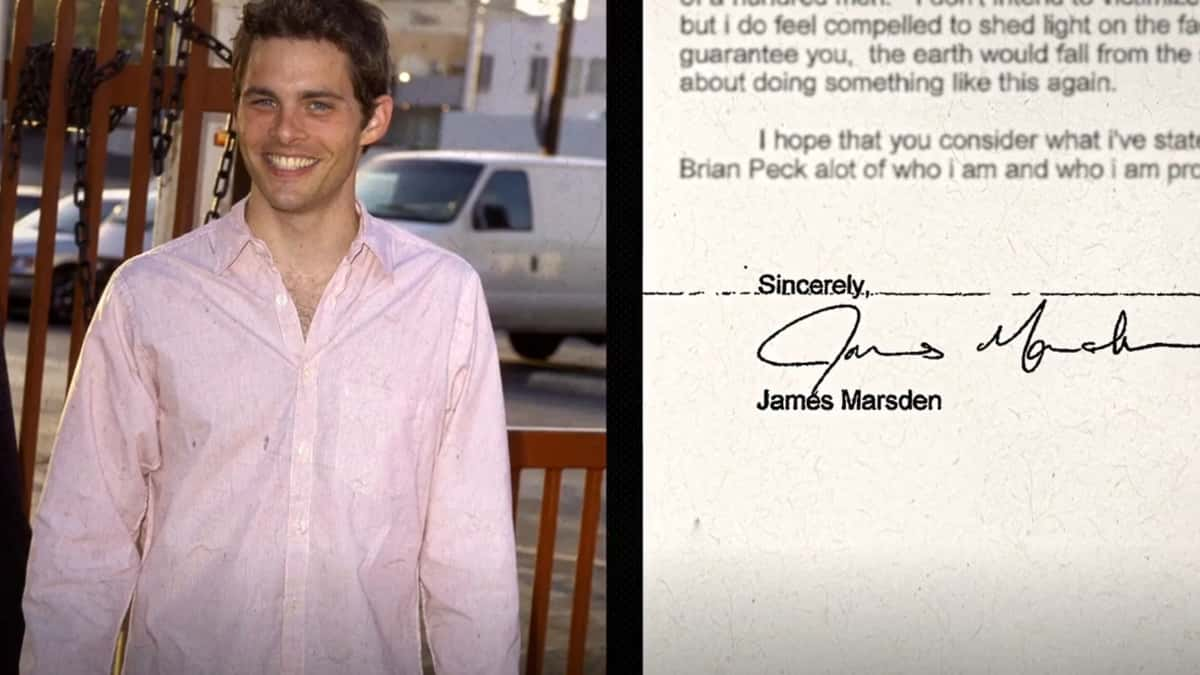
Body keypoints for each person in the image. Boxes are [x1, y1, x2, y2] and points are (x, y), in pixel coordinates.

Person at [20, 1, 520, 673]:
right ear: (237, 109)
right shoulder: (149, 298)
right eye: (264, 101)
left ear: (374, 119)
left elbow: (472, 562)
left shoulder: (443, 299)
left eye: (319, 105)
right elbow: (81, 550)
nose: (285, 131)